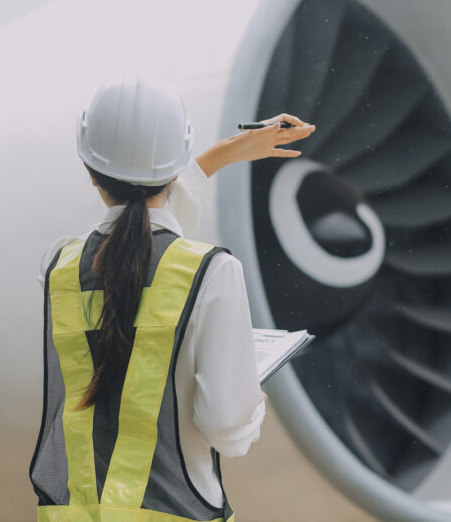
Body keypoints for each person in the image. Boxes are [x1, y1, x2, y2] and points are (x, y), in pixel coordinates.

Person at [29, 74, 315, 522]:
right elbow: (229, 431)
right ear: (174, 167)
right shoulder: (213, 273)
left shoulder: (57, 267)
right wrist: (250, 399)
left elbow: (128, 241)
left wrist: (223, 154)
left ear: (89, 171)